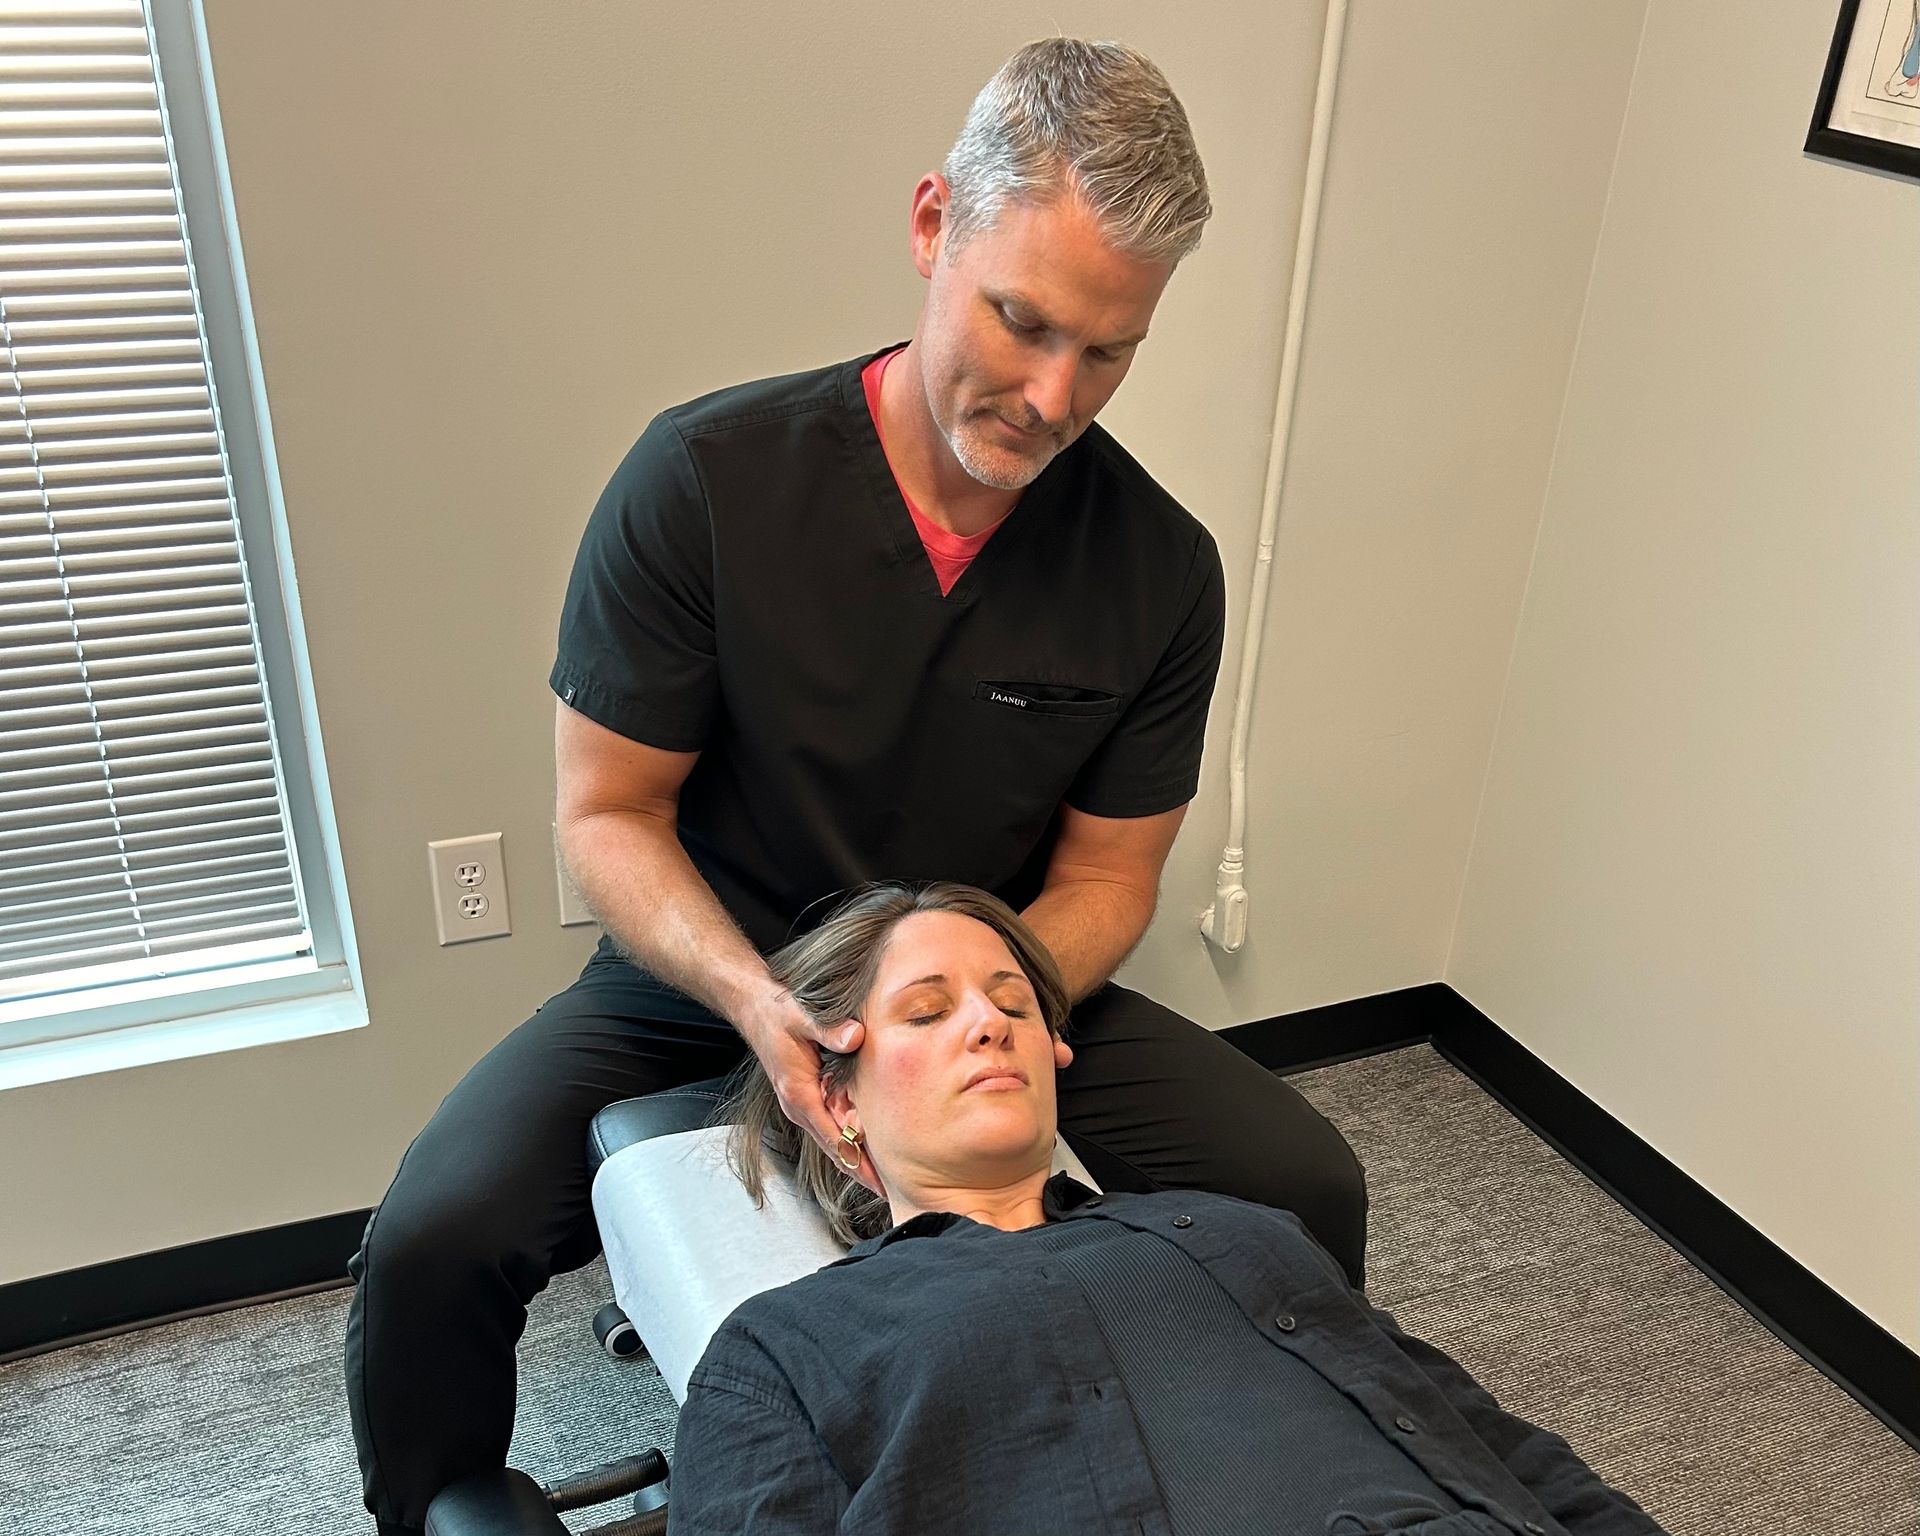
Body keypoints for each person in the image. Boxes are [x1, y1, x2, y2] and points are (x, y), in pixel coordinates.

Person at [344, 38, 1369, 1536]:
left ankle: (1253, 1461)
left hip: (981, 976)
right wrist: (767, 1008)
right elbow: (607, 818)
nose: (1049, 393)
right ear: (932, 224)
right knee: (433, 1239)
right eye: (1021, 322)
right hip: (708, 968)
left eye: (1109, 350)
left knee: (1302, 1177)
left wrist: (981, 1009)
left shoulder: (1159, 566)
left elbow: (1107, 881)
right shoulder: (703, 481)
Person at [673, 882, 1671, 1536]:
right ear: (835, 1101)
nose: (988, 1022)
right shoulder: (787, 1347)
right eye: (929, 1013)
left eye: (1015, 1004)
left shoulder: (1243, 1229)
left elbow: (1501, 1446)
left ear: (1056, 1056)